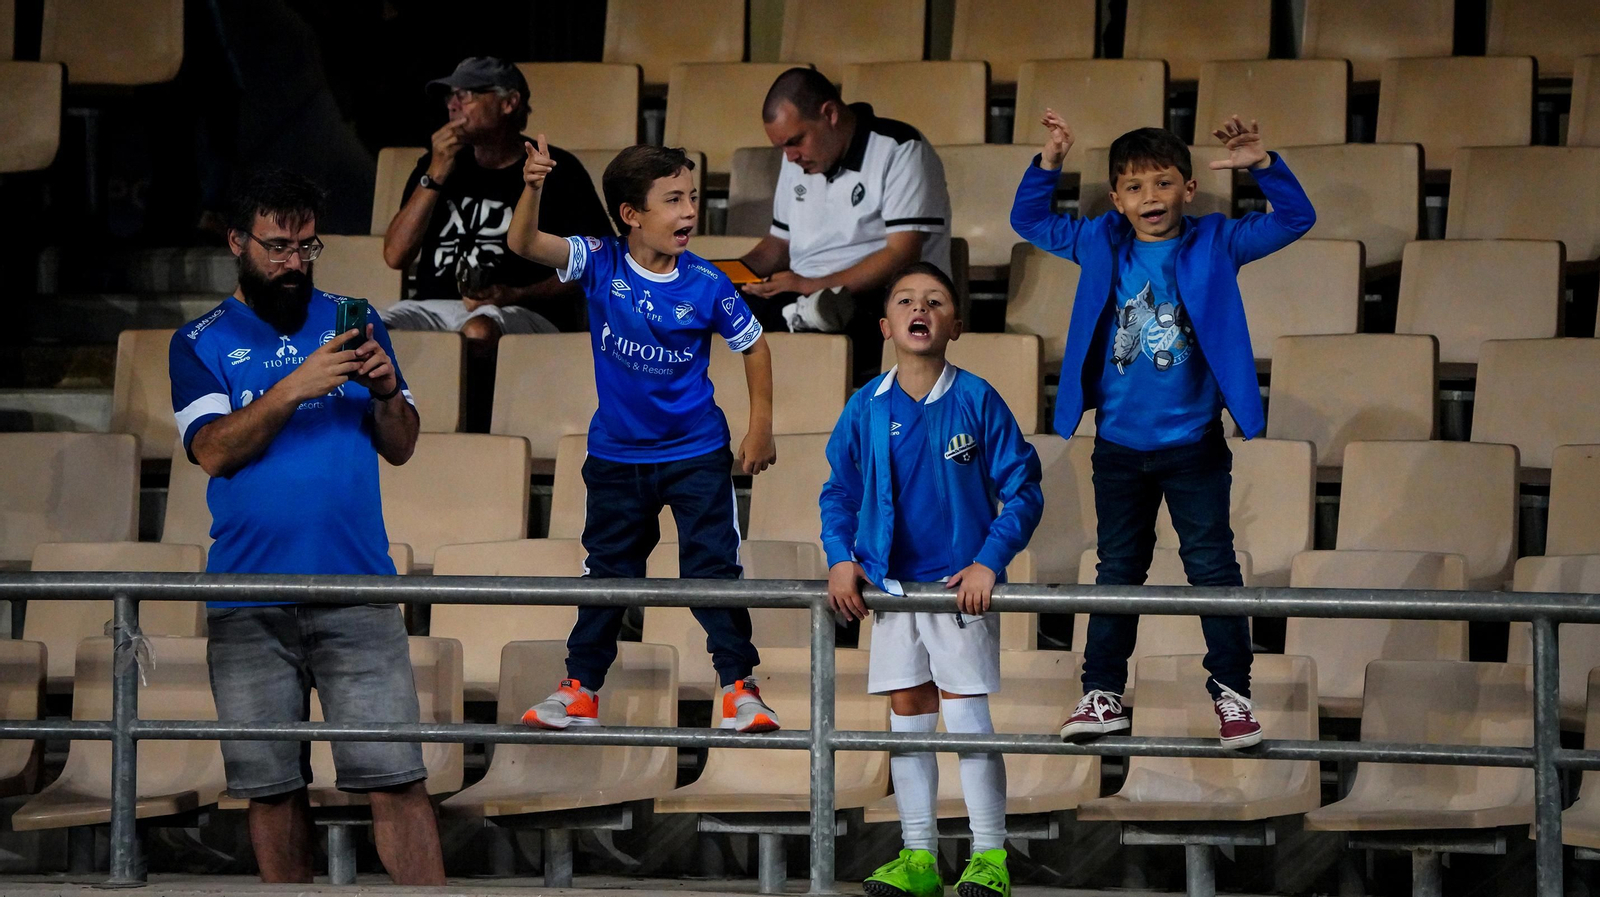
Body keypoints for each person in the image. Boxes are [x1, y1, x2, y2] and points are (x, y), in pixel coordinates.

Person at [168, 170, 444, 884]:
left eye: (306, 246)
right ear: (238, 243)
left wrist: (385, 389)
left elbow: (404, 443)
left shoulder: (353, 318)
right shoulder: (197, 342)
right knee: (269, 787)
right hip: (247, 597)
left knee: (396, 777)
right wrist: (295, 386)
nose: (294, 262)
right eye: (277, 246)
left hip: (358, 590)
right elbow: (213, 450)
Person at [1011, 113, 1316, 749]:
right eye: (1134, 187)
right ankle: (1102, 694)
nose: (1149, 197)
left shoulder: (1218, 241)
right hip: (1118, 448)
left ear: (1188, 188)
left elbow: (1295, 220)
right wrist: (1050, 163)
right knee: (1118, 569)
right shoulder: (1099, 241)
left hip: (1194, 448)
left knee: (1212, 568)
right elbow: (1030, 222)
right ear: (1117, 199)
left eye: (1162, 183)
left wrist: (1264, 165)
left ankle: (1233, 697)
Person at [505, 138, 783, 733]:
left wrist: (760, 427)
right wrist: (532, 187)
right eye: (673, 200)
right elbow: (523, 244)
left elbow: (754, 346)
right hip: (615, 456)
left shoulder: (708, 282)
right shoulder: (599, 260)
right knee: (606, 572)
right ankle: (580, 690)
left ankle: (740, 690)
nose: (689, 213)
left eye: (693, 198)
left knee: (713, 572)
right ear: (631, 215)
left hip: (696, 454)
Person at [822, 263, 1043, 897]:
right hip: (892, 596)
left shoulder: (976, 398)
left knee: (968, 721)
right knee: (908, 720)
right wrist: (842, 557)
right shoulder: (865, 406)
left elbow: (1024, 489)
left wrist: (989, 561)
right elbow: (839, 490)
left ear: (956, 324)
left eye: (937, 300)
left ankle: (989, 857)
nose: (922, 308)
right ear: (887, 324)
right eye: (907, 301)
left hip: (957, 595)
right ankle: (918, 855)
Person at [381, 56, 611, 343]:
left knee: (478, 331)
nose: (453, 105)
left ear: (508, 103)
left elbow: (598, 262)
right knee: (368, 329)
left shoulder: (554, 169)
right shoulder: (434, 165)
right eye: (451, 96)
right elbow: (395, 256)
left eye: (465, 95)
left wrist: (518, 294)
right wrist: (436, 173)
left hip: (524, 311)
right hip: (434, 307)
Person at [739, 67, 951, 377]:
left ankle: (807, 314)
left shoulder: (900, 147)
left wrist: (810, 285)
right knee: (709, 310)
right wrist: (710, 278)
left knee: (838, 314)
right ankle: (801, 314)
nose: (790, 157)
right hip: (802, 292)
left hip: (880, 296)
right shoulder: (797, 161)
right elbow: (777, 245)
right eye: (782, 147)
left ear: (830, 114)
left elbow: (901, 254)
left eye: (795, 141)